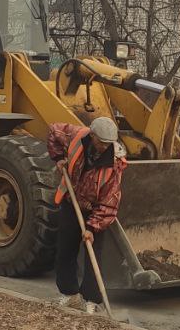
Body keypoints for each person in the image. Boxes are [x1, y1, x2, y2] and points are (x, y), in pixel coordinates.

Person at [47, 117, 126, 314]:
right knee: (65, 248)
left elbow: (110, 201)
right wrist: (58, 158)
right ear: (92, 136)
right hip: (71, 201)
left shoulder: (114, 163)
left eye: (108, 143)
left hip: (95, 208)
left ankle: (91, 299)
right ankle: (69, 293)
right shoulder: (76, 136)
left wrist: (92, 227)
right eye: (101, 142)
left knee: (93, 254)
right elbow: (54, 130)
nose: (104, 147)